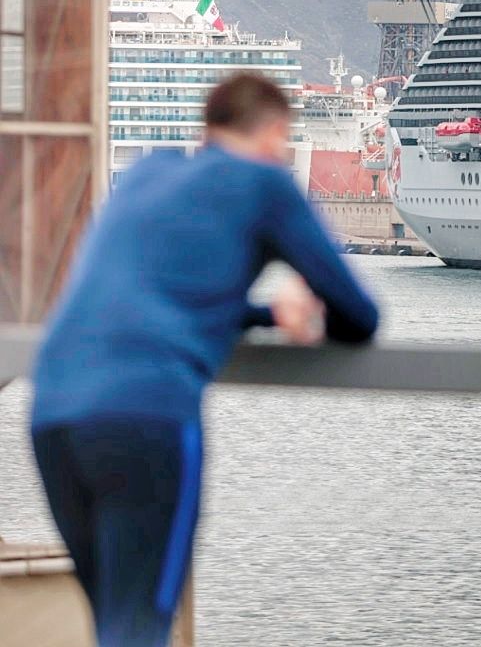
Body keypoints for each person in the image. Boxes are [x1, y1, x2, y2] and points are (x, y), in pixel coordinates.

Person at [29, 72, 380, 647]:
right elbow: (359, 316)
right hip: (147, 416)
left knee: (111, 622)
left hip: (55, 411)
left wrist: (262, 315)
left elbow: (152, 292)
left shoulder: (146, 175)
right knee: (140, 627)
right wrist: (303, 314)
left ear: (208, 128)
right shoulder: (267, 185)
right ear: (273, 133)